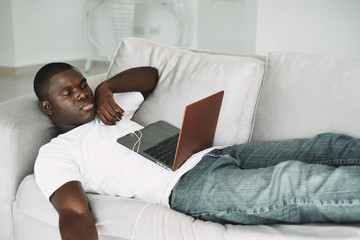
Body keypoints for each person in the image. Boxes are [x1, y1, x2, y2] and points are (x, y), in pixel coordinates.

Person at [33, 62, 360, 240]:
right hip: (188, 187)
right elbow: (75, 215)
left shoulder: (110, 110)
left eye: (82, 85)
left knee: (326, 145)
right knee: (296, 183)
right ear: (48, 106)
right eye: (67, 92)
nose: (80, 94)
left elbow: (151, 75)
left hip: (215, 152)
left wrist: (107, 87)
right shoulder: (57, 152)